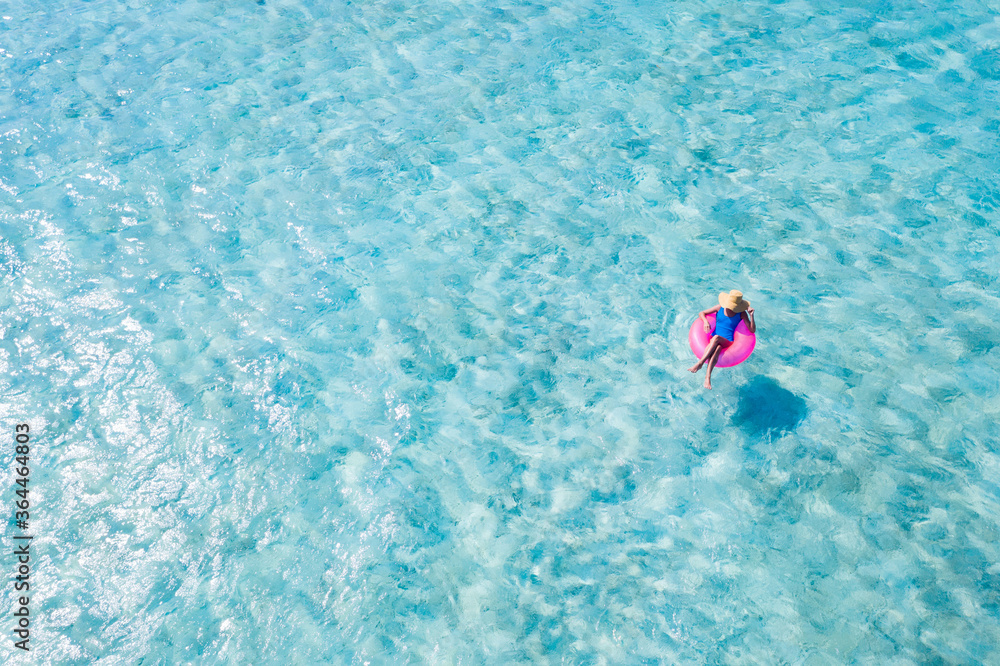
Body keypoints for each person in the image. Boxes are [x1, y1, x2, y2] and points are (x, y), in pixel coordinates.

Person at [688, 290, 755, 389]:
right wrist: (706, 321)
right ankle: (707, 377)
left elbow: (752, 330)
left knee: (716, 338)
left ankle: (700, 363)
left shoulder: (741, 314)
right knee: (717, 348)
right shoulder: (720, 308)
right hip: (715, 340)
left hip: (728, 342)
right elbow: (702, 313)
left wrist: (751, 316)